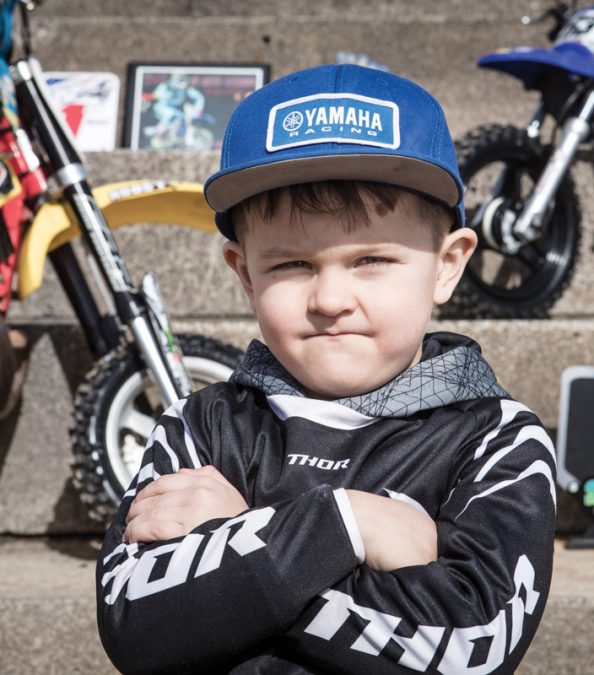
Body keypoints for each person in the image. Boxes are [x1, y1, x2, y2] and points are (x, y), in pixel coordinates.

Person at [97, 64, 556, 674]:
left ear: (449, 265)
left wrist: (239, 545)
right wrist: (346, 525)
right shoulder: (197, 427)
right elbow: (137, 623)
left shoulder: (498, 441)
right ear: (244, 273)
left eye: (371, 258)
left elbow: (470, 645)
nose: (330, 299)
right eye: (291, 265)